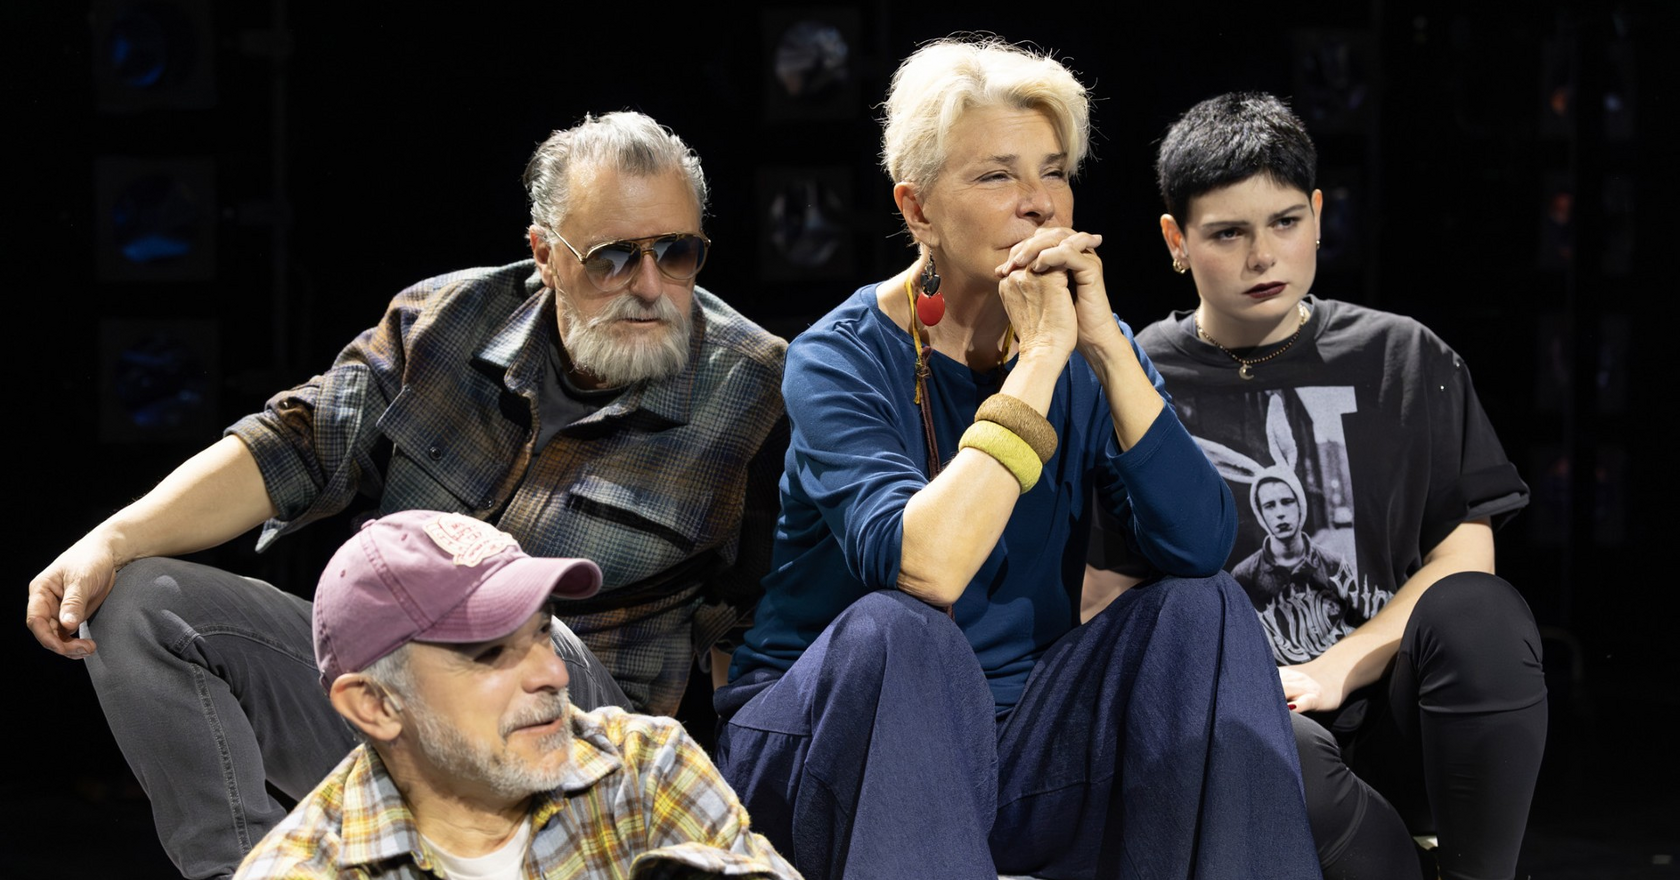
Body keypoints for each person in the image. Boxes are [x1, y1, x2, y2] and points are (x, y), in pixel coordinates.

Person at [25, 111, 787, 879]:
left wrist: (720, 816)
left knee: (523, 625)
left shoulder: (756, 388)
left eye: (677, 254)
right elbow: (294, 444)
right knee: (138, 602)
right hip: (398, 708)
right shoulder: (443, 324)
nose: (650, 287)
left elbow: (763, 633)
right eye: (613, 259)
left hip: (567, 737)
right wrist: (110, 541)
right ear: (546, 254)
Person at [712, 38, 1320, 880]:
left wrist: (1103, 346)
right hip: (829, 743)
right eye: (998, 176)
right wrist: (1038, 362)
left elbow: (1199, 544)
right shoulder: (838, 357)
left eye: (1055, 172)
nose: (1039, 204)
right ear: (918, 209)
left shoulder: (1082, 344)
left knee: (1203, 609)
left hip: (1017, 743)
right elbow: (925, 569)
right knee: (902, 630)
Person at [1129, 91, 1545, 880]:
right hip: (1242, 718)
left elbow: (1466, 555)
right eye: (1228, 233)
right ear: (1176, 241)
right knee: (1257, 734)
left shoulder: (1403, 357)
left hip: (1393, 703)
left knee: (1481, 612)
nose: (1264, 257)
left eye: (1285, 222)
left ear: (1319, 216)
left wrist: (1341, 666)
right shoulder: (1136, 375)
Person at [235, 509, 800, 880]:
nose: (553, 673)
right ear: (376, 705)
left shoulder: (645, 765)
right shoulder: (302, 869)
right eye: (490, 653)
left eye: (543, 631)